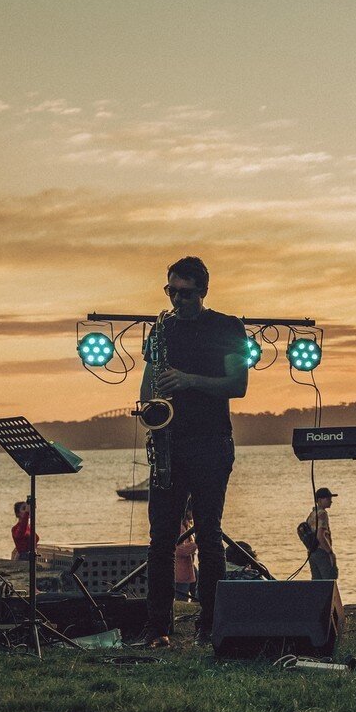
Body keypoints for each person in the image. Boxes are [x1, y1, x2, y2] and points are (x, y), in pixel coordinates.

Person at [134, 256, 249, 649]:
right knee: (159, 539)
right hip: (168, 442)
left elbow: (238, 384)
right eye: (171, 291)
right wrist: (149, 406)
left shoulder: (227, 326)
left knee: (210, 534)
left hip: (211, 441)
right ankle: (157, 628)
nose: (177, 299)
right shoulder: (161, 329)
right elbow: (148, 384)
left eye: (185, 293)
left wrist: (188, 381)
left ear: (203, 291)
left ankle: (210, 624)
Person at [306, 487, 339, 581]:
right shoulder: (322, 514)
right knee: (329, 581)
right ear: (319, 500)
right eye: (328, 499)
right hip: (322, 552)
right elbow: (320, 535)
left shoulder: (312, 514)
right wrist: (330, 552)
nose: (331, 501)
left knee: (317, 583)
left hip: (312, 552)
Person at [173, 506, 197, 601]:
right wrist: (195, 545)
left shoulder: (186, 525)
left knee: (197, 588)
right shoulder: (180, 527)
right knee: (182, 597)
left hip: (188, 566)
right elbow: (178, 550)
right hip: (181, 570)